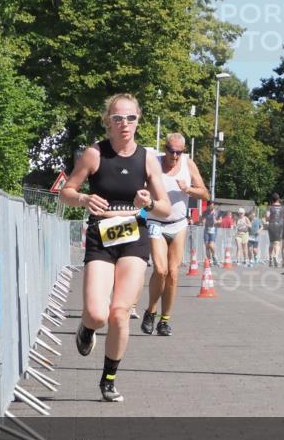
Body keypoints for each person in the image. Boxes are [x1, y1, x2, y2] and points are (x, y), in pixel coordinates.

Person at [61, 94, 171, 402]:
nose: (125, 124)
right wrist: (83, 198)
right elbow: (66, 192)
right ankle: (86, 328)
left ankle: (108, 379)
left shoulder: (147, 158)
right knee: (98, 314)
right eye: (118, 118)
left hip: (134, 236)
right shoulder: (95, 154)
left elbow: (164, 208)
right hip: (101, 237)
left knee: (120, 313)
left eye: (131, 118)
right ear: (107, 121)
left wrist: (149, 205)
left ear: (139, 120)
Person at [140, 133, 209, 338]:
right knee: (160, 270)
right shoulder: (153, 163)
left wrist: (188, 189)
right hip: (155, 223)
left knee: (173, 273)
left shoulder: (188, 165)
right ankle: (151, 311)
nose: (175, 156)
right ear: (165, 148)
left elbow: (205, 193)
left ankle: (165, 320)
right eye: (172, 151)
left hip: (178, 225)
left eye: (179, 152)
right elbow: (140, 187)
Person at [265, 193, 284, 267]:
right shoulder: (283, 207)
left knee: (271, 243)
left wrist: (269, 219)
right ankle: (275, 256)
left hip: (271, 225)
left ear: (272, 200)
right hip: (279, 226)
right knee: (277, 243)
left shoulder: (270, 207)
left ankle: (270, 258)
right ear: (278, 199)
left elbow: (267, 216)